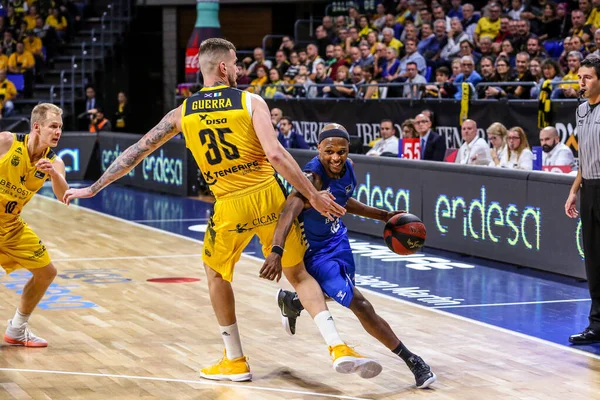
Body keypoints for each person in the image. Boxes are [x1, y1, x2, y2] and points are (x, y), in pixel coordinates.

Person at [63, 38, 380, 381]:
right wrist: (312, 195)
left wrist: (93, 188)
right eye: (237, 64)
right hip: (267, 194)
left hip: (228, 204)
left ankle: (235, 359)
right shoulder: (249, 101)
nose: (240, 70)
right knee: (298, 274)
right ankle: (337, 345)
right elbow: (275, 155)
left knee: (216, 274)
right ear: (224, 67)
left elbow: (136, 152)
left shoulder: (181, 113)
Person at [261, 123, 436, 389]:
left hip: (338, 239)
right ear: (318, 148)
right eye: (329, 151)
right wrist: (277, 250)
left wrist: (382, 215)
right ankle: (413, 361)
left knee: (334, 293)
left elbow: (342, 199)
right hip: (317, 252)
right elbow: (288, 210)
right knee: (360, 304)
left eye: (341, 151)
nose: (335, 157)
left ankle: (294, 301)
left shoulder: (349, 167)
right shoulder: (312, 177)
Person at [0, 103, 68, 347]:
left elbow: (64, 197)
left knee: (46, 273)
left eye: (60, 127)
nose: (58, 131)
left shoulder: (54, 162)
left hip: (11, 225)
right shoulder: (6, 141)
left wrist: (55, 175)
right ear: (36, 127)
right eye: (53, 126)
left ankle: (17, 328)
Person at [565, 54, 600, 345]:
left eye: (587, 77)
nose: (581, 82)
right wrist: (574, 190)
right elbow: (583, 158)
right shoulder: (580, 111)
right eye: (580, 77)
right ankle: (596, 324)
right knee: (594, 262)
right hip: (588, 188)